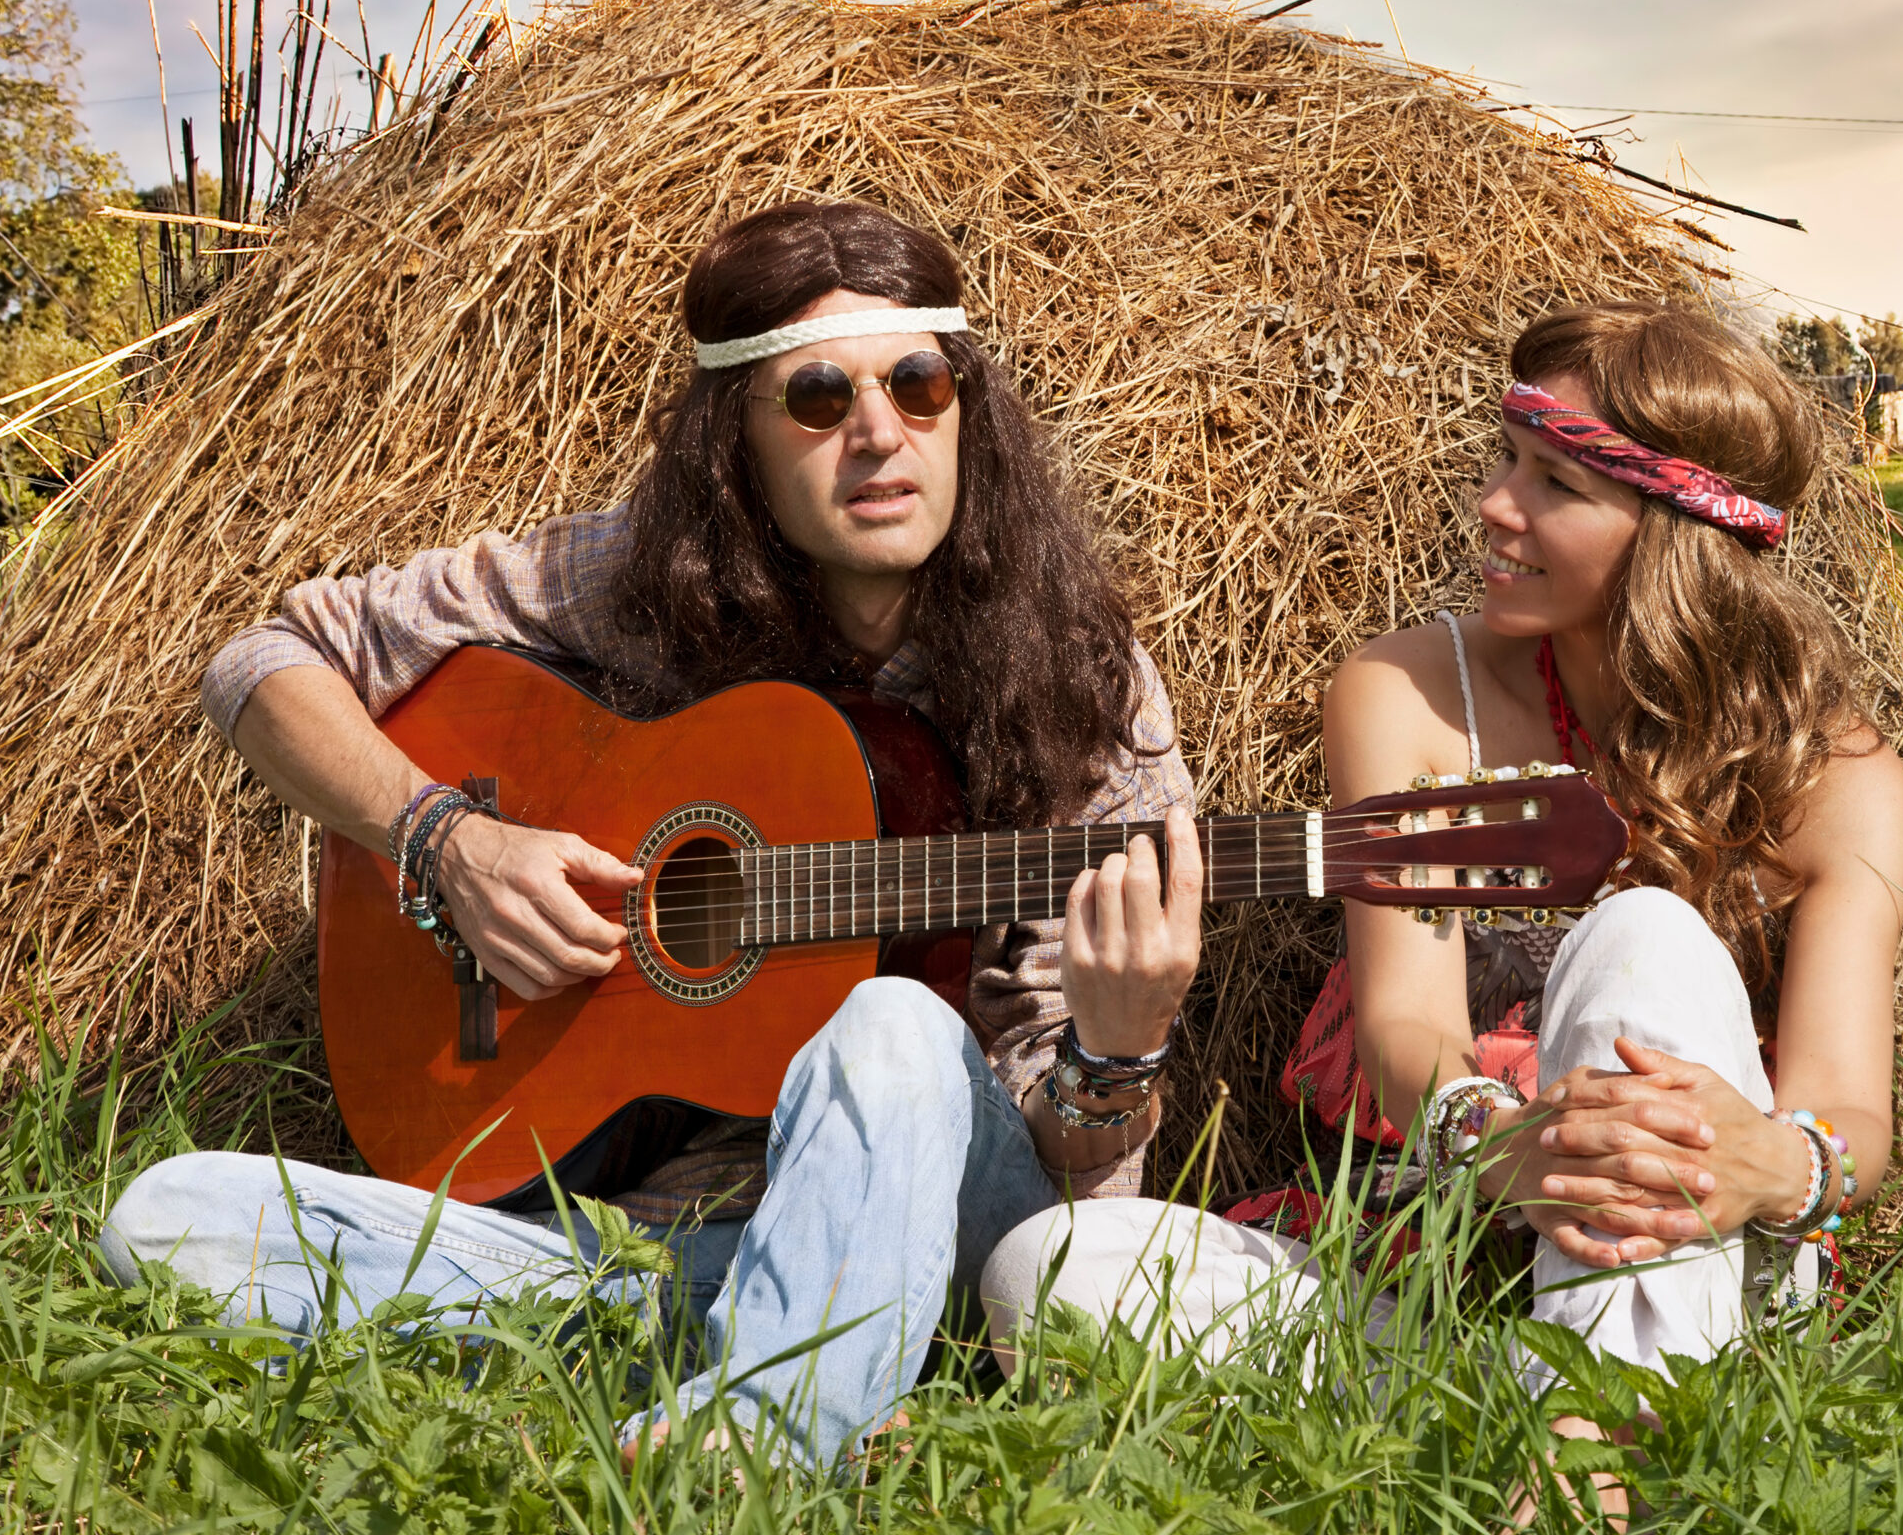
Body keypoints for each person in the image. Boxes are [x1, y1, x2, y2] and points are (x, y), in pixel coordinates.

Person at [98, 200, 1203, 1467]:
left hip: (920, 1218)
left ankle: (754, 1448)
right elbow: (267, 662)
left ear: (969, 407)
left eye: (918, 381)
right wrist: (447, 845)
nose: (880, 432)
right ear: (733, 439)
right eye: (815, 397)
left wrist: (1117, 1056)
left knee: (896, 1027)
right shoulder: (637, 578)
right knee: (170, 1215)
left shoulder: (1078, 679)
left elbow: (1066, 1212)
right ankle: (734, 1345)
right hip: (636, 1236)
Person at [982, 299, 1903, 1425]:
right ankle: (1535, 1397)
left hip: (1699, 1241)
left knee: (1644, 935)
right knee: (1045, 1268)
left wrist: (1776, 1166)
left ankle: (1581, 1463)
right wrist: (1509, 1145)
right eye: (1506, 459)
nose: (1494, 505)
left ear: (1676, 540)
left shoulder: (1842, 780)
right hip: (1440, 1250)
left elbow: (1848, 1113)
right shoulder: (1411, 695)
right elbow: (1407, 1031)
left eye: (1554, 485)